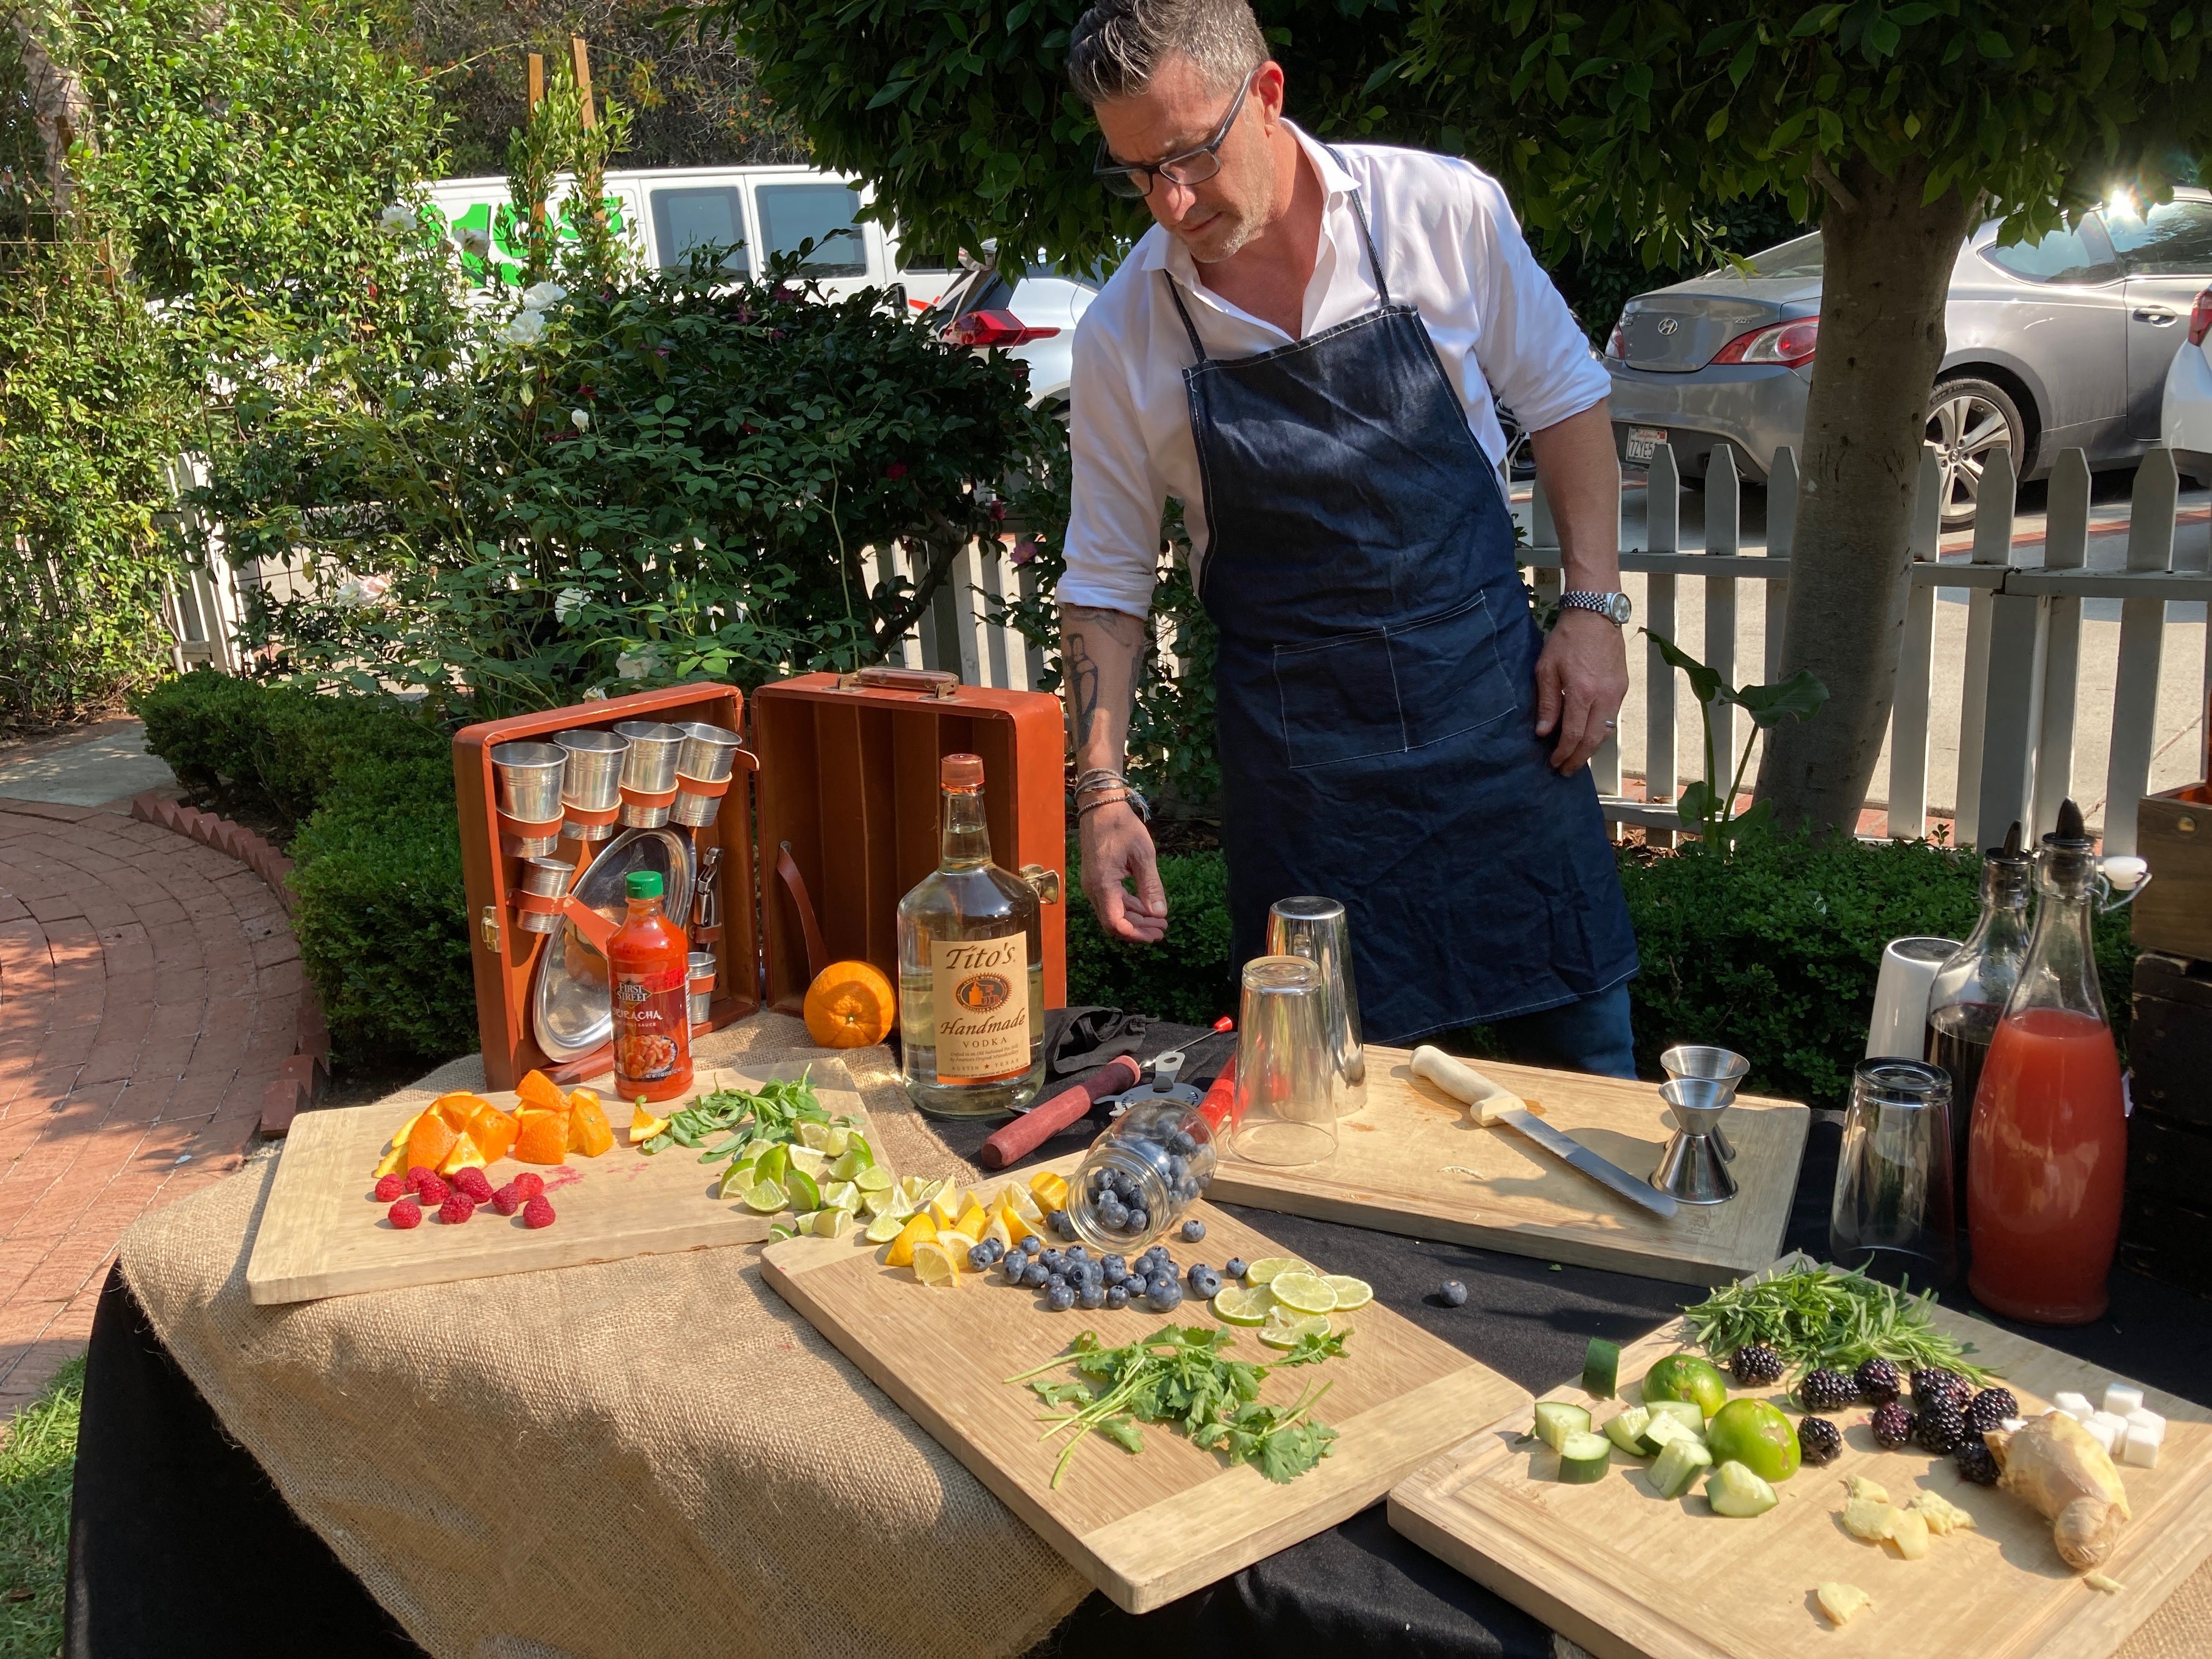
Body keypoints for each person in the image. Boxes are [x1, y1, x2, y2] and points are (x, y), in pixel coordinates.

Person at [1059, 0, 1640, 1075]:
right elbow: (1105, 585)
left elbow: (1566, 401)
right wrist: (1100, 795)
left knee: (1587, 1098)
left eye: (1190, 154)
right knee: (1325, 1144)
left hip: (1500, 736)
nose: (1171, 201)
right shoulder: (1122, 334)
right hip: (1305, 791)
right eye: (1137, 171)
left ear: (1268, 94)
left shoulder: (1441, 212)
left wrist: (1594, 610)